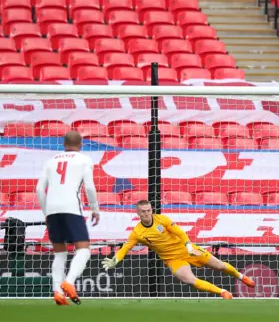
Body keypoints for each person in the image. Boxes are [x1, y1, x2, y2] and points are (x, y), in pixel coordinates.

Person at [102, 200, 255, 299]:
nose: (147, 213)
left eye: (148, 210)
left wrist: (189, 246)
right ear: (138, 213)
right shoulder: (138, 232)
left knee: (220, 266)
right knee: (189, 280)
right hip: (173, 260)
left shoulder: (162, 219)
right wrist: (115, 259)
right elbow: (126, 248)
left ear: (151, 209)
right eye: (143, 211)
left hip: (187, 249)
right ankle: (222, 292)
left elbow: (180, 233)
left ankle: (241, 277)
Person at [36, 131, 100, 306]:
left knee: (59, 252)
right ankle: (69, 282)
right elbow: (90, 187)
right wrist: (95, 209)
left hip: (52, 209)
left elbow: (40, 190)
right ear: (81, 145)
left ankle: (57, 292)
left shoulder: (50, 161)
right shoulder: (84, 160)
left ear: (63, 144)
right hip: (71, 207)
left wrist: (46, 213)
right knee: (84, 249)